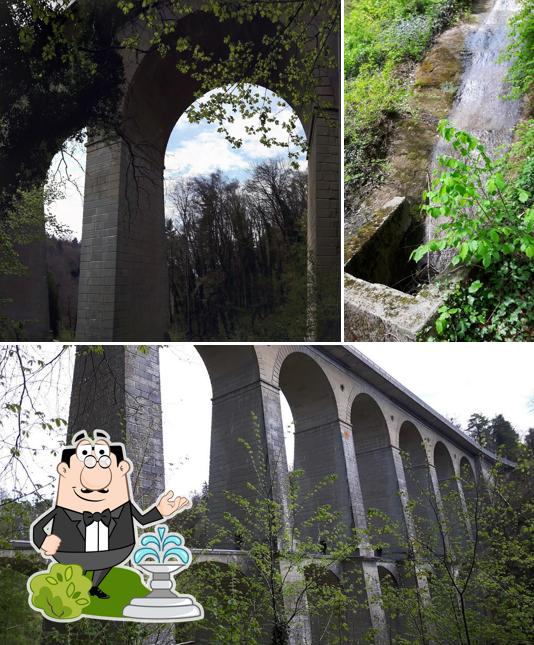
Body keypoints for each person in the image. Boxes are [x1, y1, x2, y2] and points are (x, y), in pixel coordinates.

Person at [30, 429, 190, 599]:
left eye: (105, 461)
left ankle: (93, 587)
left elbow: (142, 520)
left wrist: (160, 511)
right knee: (82, 569)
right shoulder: (62, 511)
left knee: (103, 563)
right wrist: (43, 541)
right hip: (72, 552)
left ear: (122, 468)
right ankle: (77, 587)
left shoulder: (124, 507)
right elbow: (38, 527)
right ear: (64, 470)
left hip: (113, 551)